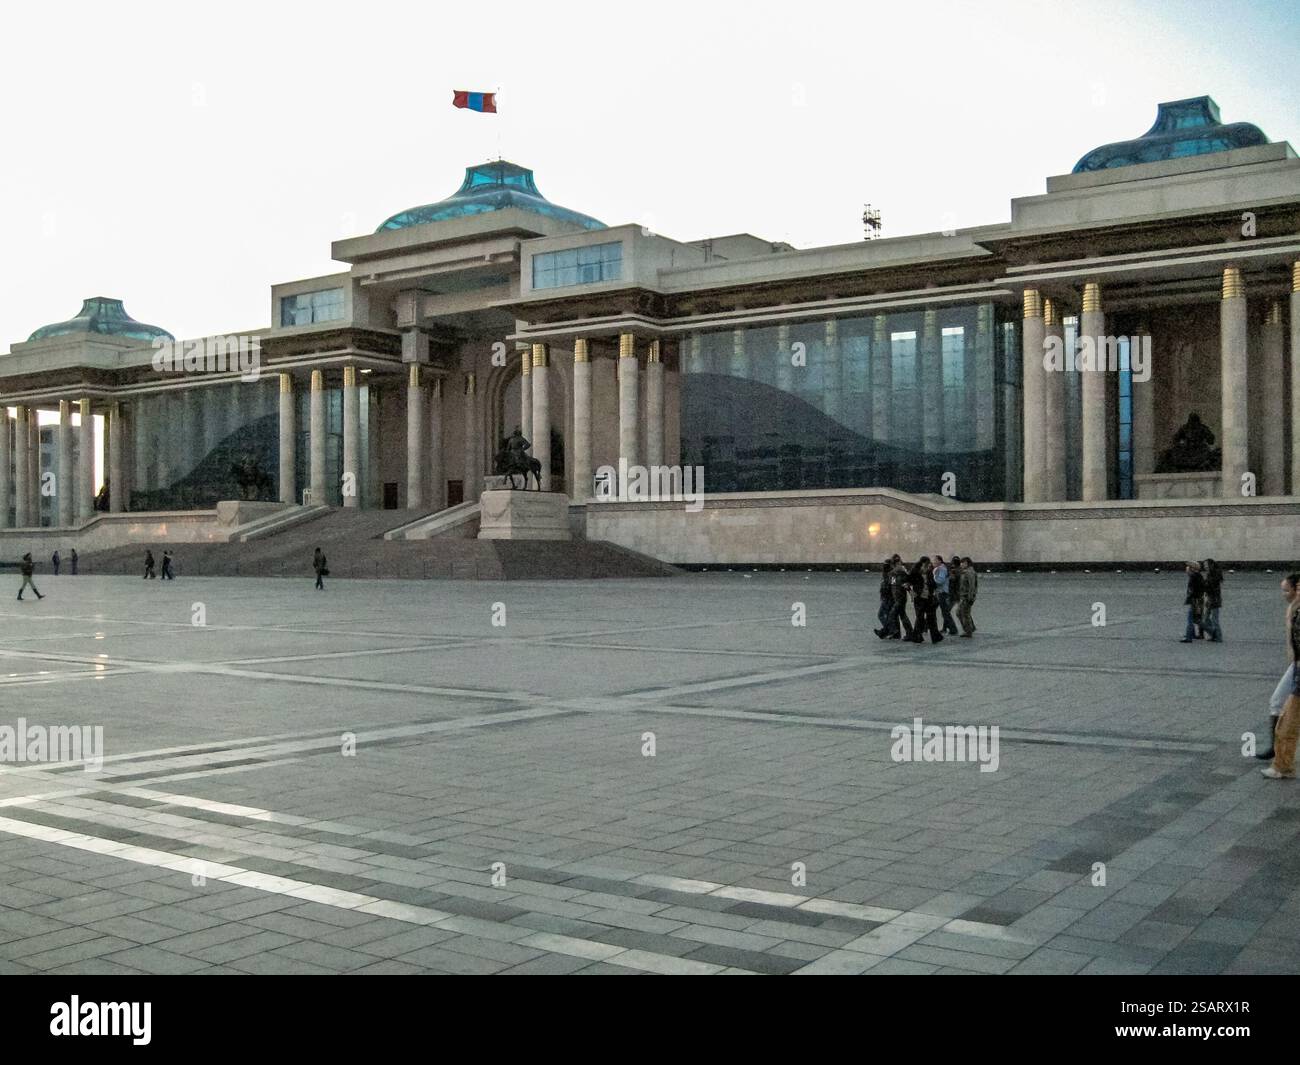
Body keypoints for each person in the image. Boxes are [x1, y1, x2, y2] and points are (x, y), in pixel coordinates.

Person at [1256, 573, 1299, 762]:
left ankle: (1280, 755)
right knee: (1277, 702)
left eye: (1286, 590)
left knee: (1280, 703)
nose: (1283, 594)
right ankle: (1276, 749)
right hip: (1296, 664)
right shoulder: (1293, 608)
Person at [1179, 561, 1204, 642]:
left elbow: (1192, 590)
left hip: (1195, 600)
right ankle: (1197, 634)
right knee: (1196, 618)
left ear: (1192, 569)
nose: (1186, 569)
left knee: (1191, 619)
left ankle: (1189, 636)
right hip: (1197, 599)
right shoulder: (1198, 576)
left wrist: (1190, 598)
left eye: (1188, 567)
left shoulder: (1194, 577)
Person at [934, 555, 958, 636]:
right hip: (942, 592)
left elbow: (940, 580)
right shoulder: (942, 568)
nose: (934, 562)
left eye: (935, 560)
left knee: (945, 612)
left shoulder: (942, 569)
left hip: (943, 592)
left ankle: (953, 629)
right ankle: (949, 628)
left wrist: (933, 580)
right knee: (944, 611)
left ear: (940, 561)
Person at [1202, 558, 1224, 642]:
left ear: (1210, 565)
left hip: (1214, 599)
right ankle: (1213, 634)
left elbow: (1211, 585)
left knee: (1214, 619)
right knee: (1206, 618)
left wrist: (1204, 584)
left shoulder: (1214, 574)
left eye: (1206, 565)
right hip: (1211, 597)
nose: (1204, 567)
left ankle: (1218, 637)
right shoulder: (1210, 574)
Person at [956, 557, 977, 637]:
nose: (961, 564)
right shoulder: (966, 572)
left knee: (963, 613)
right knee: (962, 613)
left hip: (966, 597)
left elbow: (972, 586)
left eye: (962, 563)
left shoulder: (969, 572)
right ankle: (970, 628)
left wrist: (970, 597)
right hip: (964, 596)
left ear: (967, 563)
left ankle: (968, 631)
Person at [873, 558, 894, 638]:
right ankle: (887, 631)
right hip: (887, 597)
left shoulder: (889, 575)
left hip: (887, 597)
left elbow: (888, 586)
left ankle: (889, 630)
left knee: (881, 614)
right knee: (887, 615)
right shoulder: (888, 574)